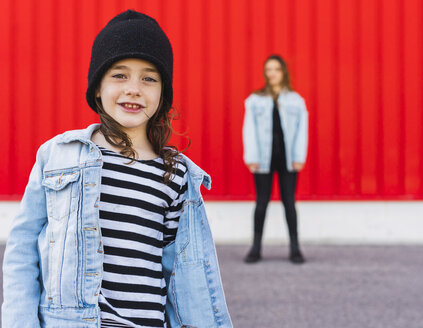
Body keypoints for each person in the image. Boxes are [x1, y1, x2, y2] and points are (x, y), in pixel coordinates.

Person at [2, 10, 232, 328]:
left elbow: (185, 273)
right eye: (119, 75)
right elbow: (22, 249)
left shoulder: (175, 174)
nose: (134, 89)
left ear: (163, 93)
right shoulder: (58, 157)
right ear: (98, 87)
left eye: (149, 78)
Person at [242, 54, 308, 264]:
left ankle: (295, 248)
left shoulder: (296, 100)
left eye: (276, 69)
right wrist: (251, 157)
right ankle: (256, 248)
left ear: (283, 72)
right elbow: (249, 130)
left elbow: (301, 131)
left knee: (289, 203)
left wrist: (299, 156)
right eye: (268, 69)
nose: (272, 73)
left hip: (287, 159)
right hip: (263, 158)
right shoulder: (255, 100)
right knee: (261, 203)